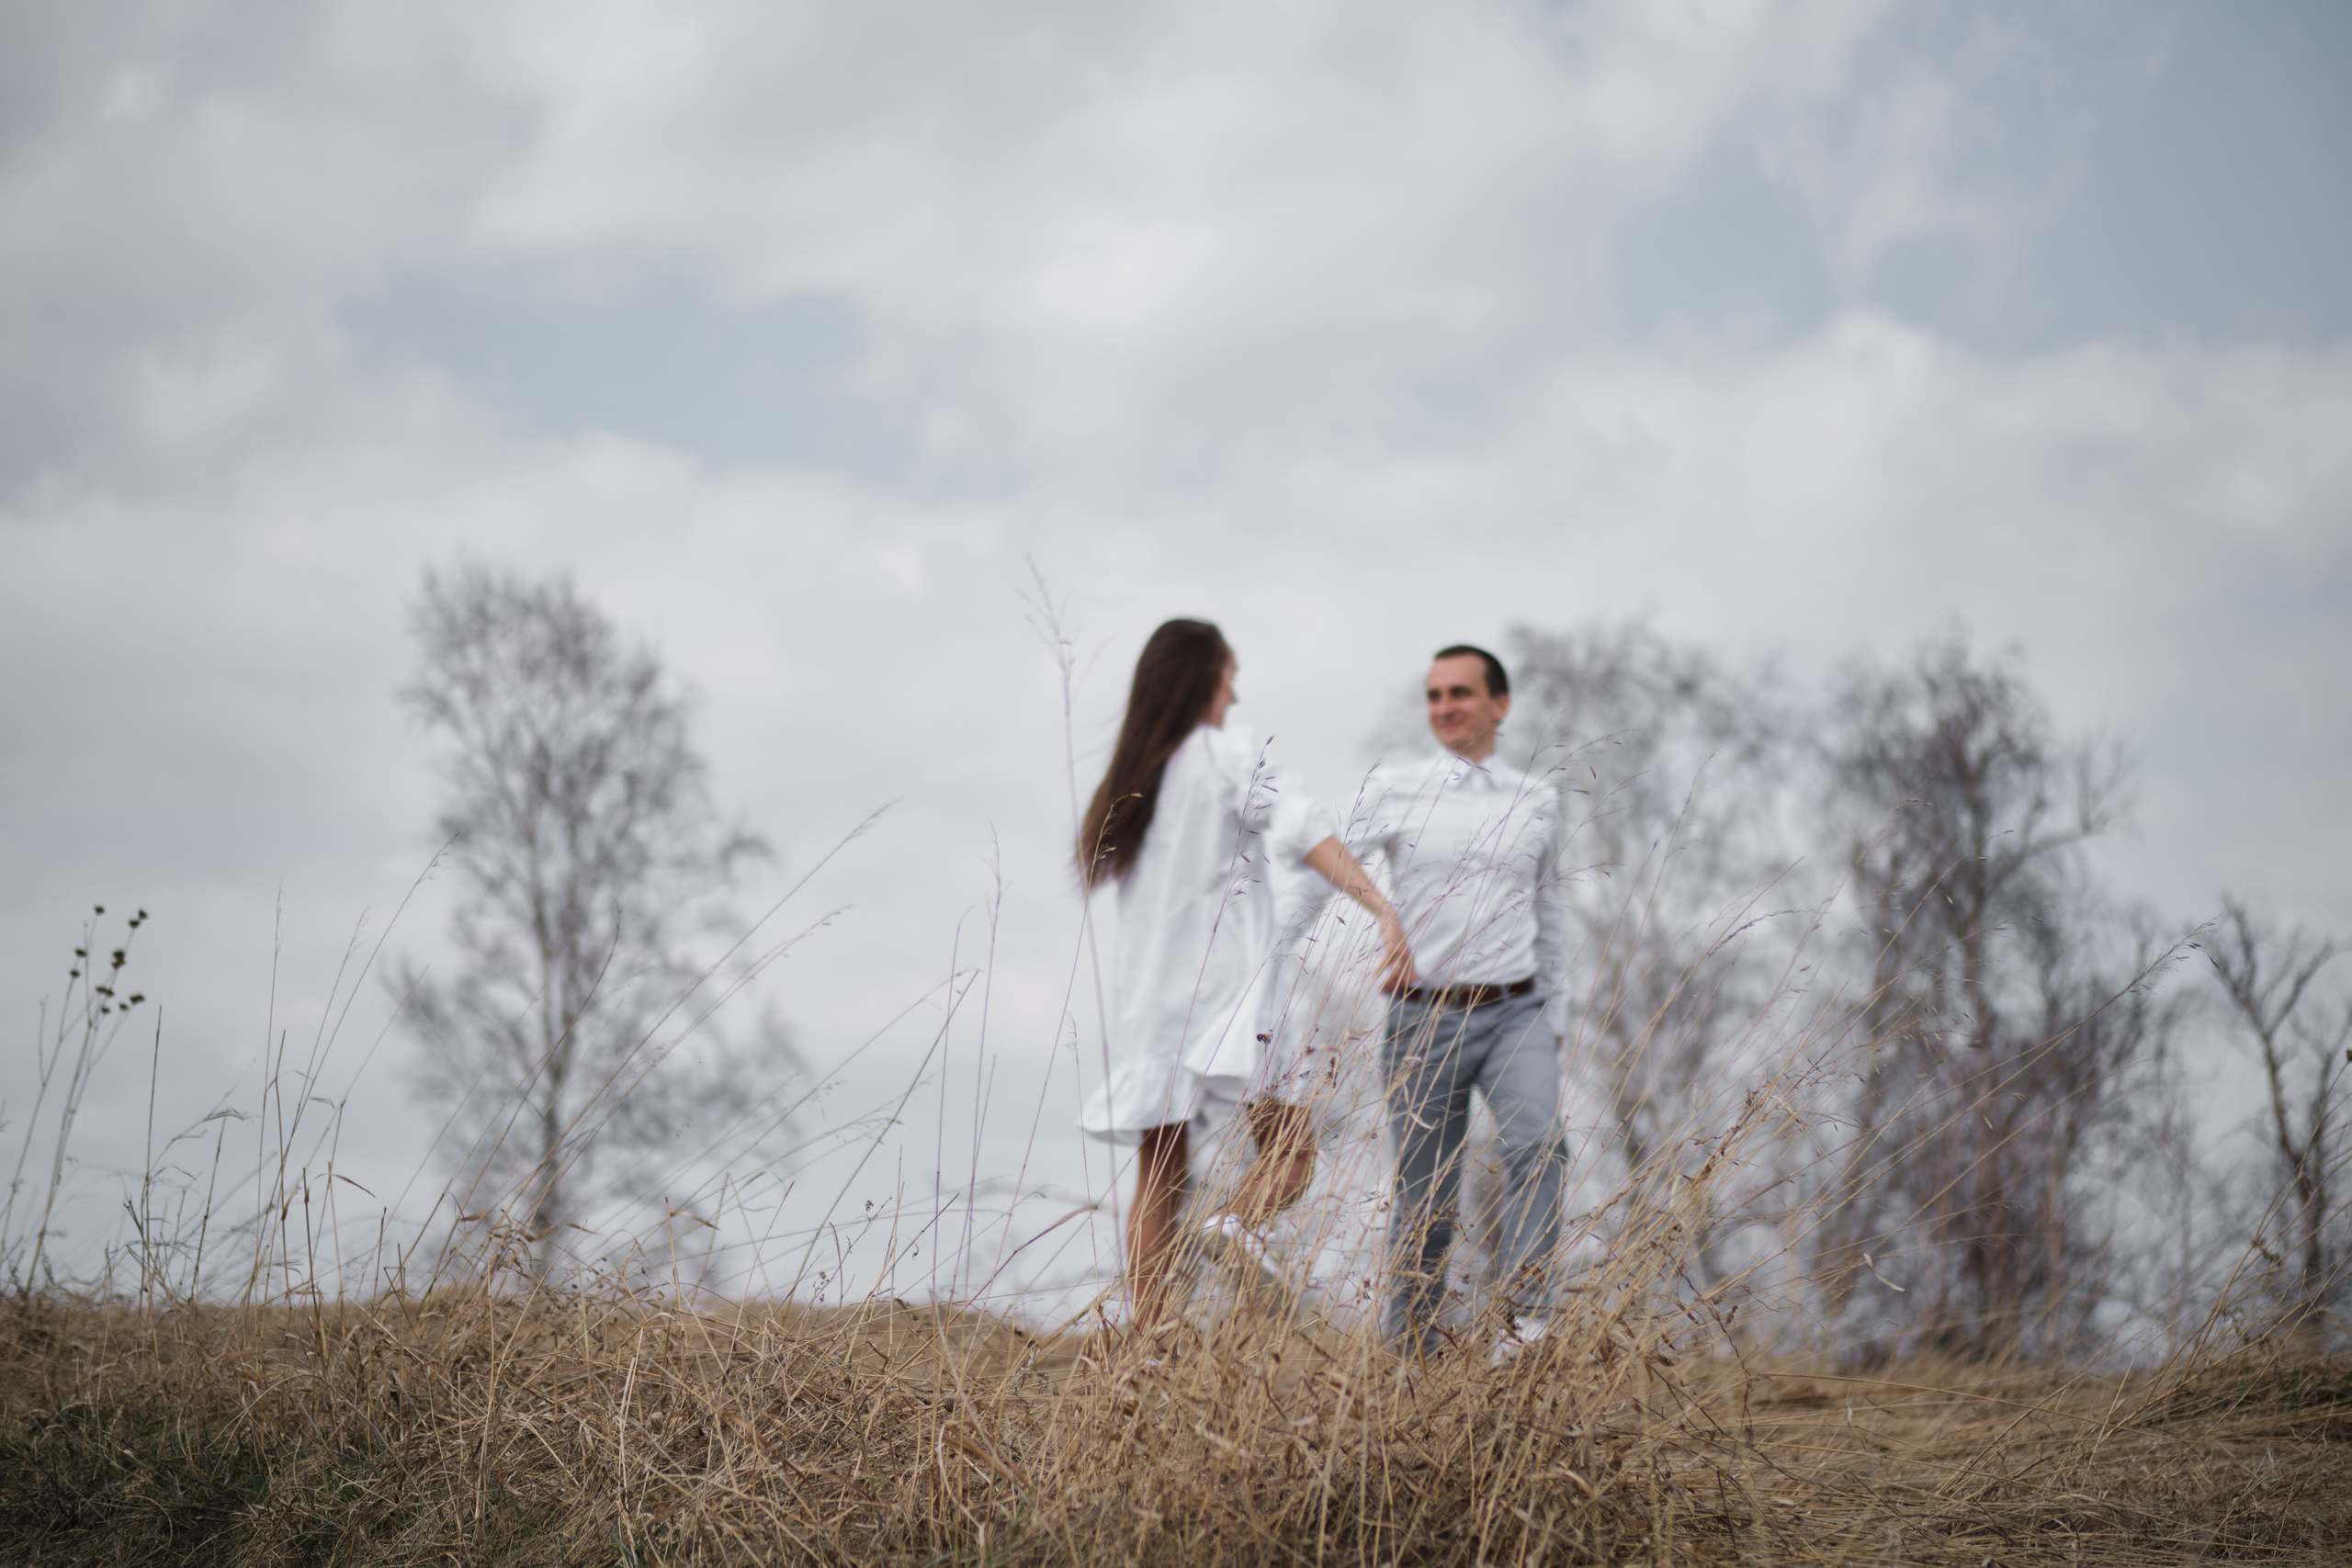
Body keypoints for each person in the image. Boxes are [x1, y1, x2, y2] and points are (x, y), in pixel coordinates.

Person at [1077, 618, 1415, 1336]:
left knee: (1158, 1175)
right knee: (1290, 1159)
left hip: (1150, 1007)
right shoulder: (1227, 756)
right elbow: (1302, 825)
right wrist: (1380, 903)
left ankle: (1152, 1338)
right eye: (1229, 674)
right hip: (1234, 992)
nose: (1236, 691)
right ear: (1204, 678)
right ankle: (1233, 1223)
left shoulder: (1133, 778)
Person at [1351, 644, 1571, 1361]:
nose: (1444, 707)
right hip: (1424, 1017)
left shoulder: (1537, 797)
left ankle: (1524, 1325)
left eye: (1461, 693)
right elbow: (1328, 859)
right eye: (1434, 695)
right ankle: (1409, 1354)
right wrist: (1377, 921)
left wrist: (1555, 1020)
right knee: (1428, 1197)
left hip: (1517, 1009)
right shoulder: (1394, 788)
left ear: (1499, 705)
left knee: (1538, 1144)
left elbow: (1551, 914)